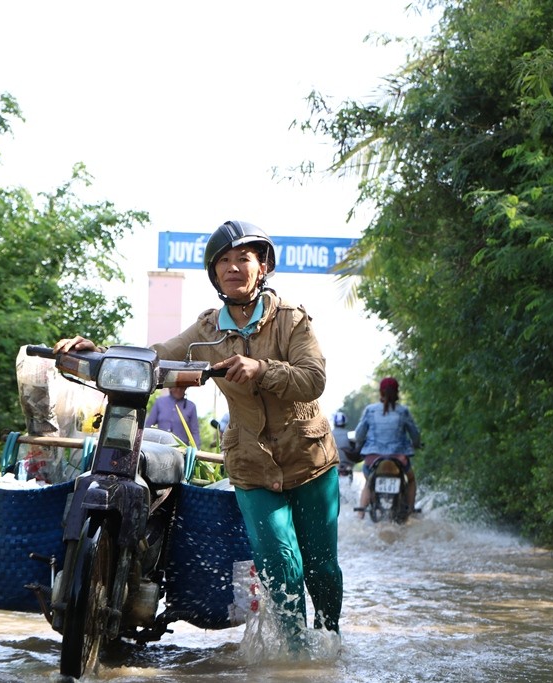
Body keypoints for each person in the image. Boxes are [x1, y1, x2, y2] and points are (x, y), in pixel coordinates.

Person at [54, 220, 343, 646]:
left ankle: (330, 641)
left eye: (242, 258)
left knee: (320, 568)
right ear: (215, 274)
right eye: (223, 261)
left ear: (261, 267)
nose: (233, 267)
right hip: (252, 464)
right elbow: (154, 355)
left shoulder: (292, 322)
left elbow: (313, 378)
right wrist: (97, 351)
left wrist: (261, 369)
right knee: (281, 566)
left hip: (310, 460)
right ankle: (297, 660)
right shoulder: (206, 332)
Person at [353, 377, 422, 520]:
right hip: (399, 458)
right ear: (397, 392)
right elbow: (414, 434)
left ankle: (360, 515)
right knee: (411, 480)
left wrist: (360, 443)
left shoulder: (370, 410)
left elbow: (359, 434)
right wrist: (416, 443)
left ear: (380, 392)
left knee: (368, 481)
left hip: (373, 458)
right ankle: (410, 511)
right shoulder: (403, 411)